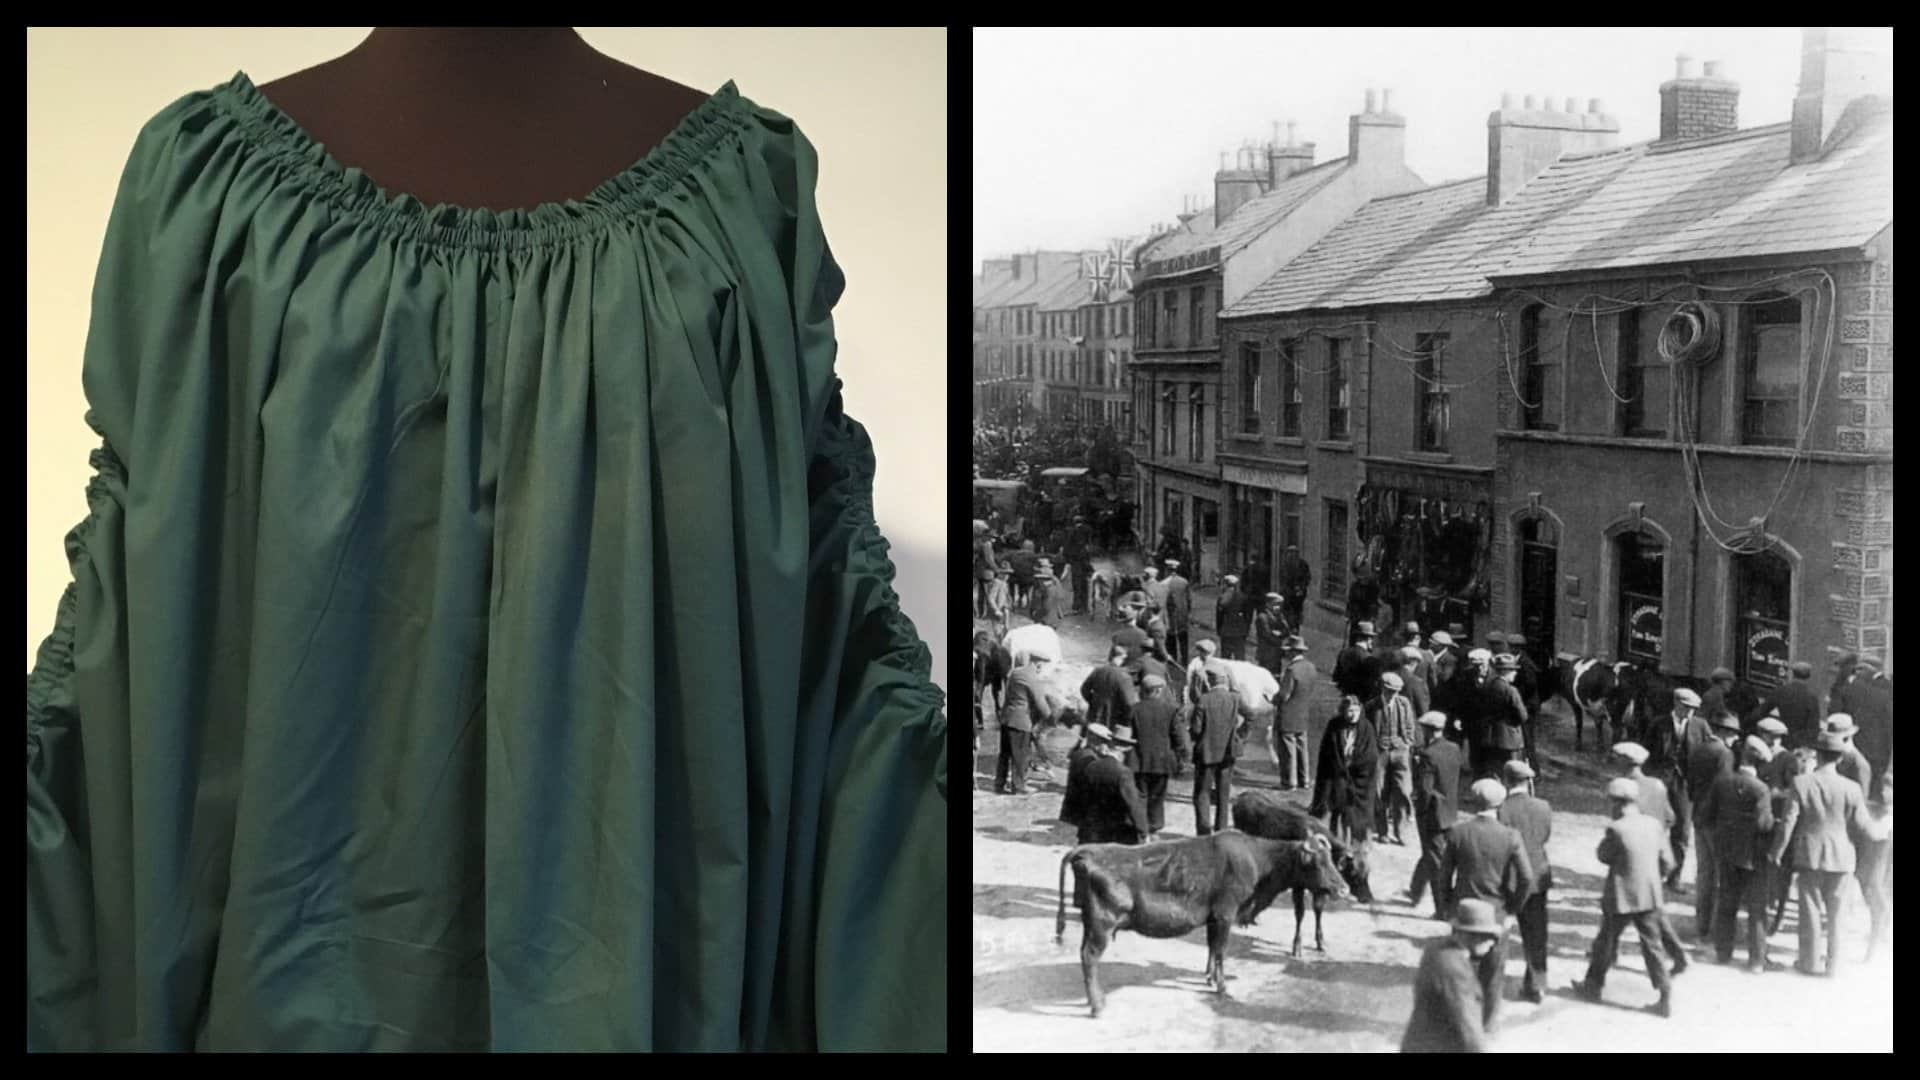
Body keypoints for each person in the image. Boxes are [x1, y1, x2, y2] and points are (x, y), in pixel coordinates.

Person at [1769, 728, 1889, 976]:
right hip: (1843, 858)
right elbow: (1864, 826)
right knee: (1837, 915)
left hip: (1809, 855)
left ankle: (1809, 963)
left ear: (1819, 755)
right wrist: (1883, 830)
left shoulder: (1802, 783)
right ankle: (1834, 966)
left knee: (1810, 912)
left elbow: (1788, 821)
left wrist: (1777, 852)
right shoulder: (1852, 788)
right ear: (1839, 757)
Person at [1576, 778, 1677, 1018]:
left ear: (1617, 804)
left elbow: (1603, 855)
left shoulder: (1616, 828)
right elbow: (1669, 862)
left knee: (1605, 942)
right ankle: (1665, 995)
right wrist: (1653, 878)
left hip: (1621, 896)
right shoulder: (1653, 825)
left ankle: (1592, 986)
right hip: (1649, 895)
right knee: (1653, 946)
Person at [1437, 778, 1533, 1030]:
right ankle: (1487, 1028)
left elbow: (1443, 875)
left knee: (1460, 972)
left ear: (1474, 801)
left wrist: (1447, 909)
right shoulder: (1511, 836)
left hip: (1463, 914)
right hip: (1496, 914)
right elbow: (1527, 877)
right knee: (1493, 976)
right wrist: (1513, 909)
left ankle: (1460, 1026)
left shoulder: (1458, 832)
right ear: (1500, 804)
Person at [1611, 741, 1691, 971]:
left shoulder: (1622, 789)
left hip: (1629, 857)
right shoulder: (1657, 785)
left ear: (1625, 763)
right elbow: (1670, 817)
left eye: (1617, 759)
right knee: (1652, 908)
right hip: (1655, 854)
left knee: (1618, 907)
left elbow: (1620, 825)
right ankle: (1679, 955)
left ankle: (1609, 954)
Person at [1698, 735, 1775, 971]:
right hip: (1753, 855)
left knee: (1727, 902)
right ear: (1760, 763)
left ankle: (1723, 952)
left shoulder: (1722, 782)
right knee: (1756, 908)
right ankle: (1756, 960)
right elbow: (1764, 824)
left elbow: (1705, 816)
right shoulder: (1761, 789)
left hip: (1726, 852)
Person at [1401, 898, 1506, 1054]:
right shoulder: (1455, 970)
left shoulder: (1436, 949)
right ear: (1472, 935)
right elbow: (1468, 1025)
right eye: (1488, 936)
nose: (1492, 942)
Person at [1643, 686, 1711, 891]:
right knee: (1654, 828)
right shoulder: (1658, 724)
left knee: (1681, 832)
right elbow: (1647, 754)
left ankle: (1674, 878)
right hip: (1660, 782)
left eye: (1693, 709)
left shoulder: (1701, 726)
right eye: (1687, 707)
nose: (1690, 712)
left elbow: (1708, 754)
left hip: (1685, 785)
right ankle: (1651, 875)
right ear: (1677, 704)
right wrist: (1649, 782)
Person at [1495, 761, 1553, 1003]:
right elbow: (1545, 836)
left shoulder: (1502, 809)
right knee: (1537, 933)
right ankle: (1536, 985)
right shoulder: (1543, 807)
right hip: (1538, 877)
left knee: (1500, 932)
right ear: (1527, 781)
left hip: (1509, 879)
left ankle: (1491, 983)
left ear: (1506, 781)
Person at [1685, 710, 1741, 940]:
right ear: (1726, 732)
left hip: (1698, 815)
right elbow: (1725, 788)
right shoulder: (1724, 754)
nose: (1735, 738)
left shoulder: (1698, 748)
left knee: (1704, 874)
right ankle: (1718, 929)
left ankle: (1701, 925)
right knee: (1722, 875)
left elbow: (1689, 783)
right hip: (1717, 820)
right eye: (1734, 734)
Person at [1409, 711, 1464, 917]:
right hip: (1451, 811)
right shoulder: (1454, 749)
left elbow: (1425, 790)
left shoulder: (1427, 755)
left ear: (1428, 731)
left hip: (1432, 815)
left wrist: (1419, 811)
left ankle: (1443, 909)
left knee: (1436, 861)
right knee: (1434, 854)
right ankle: (1415, 890)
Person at [1058, 724, 1151, 846]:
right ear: (1125, 750)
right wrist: (1144, 832)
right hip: (1113, 834)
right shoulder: (1123, 773)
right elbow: (1134, 805)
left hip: (1089, 830)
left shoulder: (1091, 766)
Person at [1189, 667, 1253, 836]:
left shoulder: (1204, 700)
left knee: (1202, 793)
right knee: (1223, 794)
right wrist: (1240, 735)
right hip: (1228, 751)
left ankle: (1203, 832)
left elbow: (1196, 730)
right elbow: (1251, 715)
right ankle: (1221, 830)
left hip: (1206, 753)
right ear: (1225, 682)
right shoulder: (1235, 698)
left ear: (1210, 682)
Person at [1312, 694, 1380, 851]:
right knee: (1333, 811)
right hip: (1336, 778)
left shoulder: (1366, 728)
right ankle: (1336, 844)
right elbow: (1326, 753)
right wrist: (1339, 768)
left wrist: (1353, 767)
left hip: (1358, 782)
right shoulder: (1334, 726)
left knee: (1355, 817)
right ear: (1343, 711)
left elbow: (1370, 757)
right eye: (1350, 711)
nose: (1353, 714)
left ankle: (1355, 847)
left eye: (1356, 710)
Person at [1126, 674, 1189, 837]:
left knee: (1140, 795)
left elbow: (1126, 735)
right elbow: (1179, 737)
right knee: (1157, 797)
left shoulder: (1134, 709)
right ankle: (1154, 826)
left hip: (1138, 760)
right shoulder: (1172, 709)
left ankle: (1139, 828)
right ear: (1158, 690)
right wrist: (1181, 755)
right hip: (1162, 761)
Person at [996, 657, 1060, 795]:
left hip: (1006, 717)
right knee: (1021, 756)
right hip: (1021, 721)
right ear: (1037, 664)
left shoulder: (1015, 672)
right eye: (1041, 666)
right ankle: (1019, 787)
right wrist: (1051, 719)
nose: (1041, 669)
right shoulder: (1032, 677)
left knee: (1004, 755)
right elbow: (1040, 702)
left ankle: (999, 785)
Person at [1372, 671, 1418, 845]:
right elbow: (1368, 731)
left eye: (1397, 691)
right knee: (1379, 791)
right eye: (1390, 690)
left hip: (1400, 753)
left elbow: (1410, 727)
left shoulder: (1404, 704)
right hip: (1380, 753)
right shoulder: (1372, 706)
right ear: (1383, 688)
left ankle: (1401, 832)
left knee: (1403, 791)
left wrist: (1406, 743)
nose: (1393, 694)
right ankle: (1382, 831)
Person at [1845, 658, 1892, 802]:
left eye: (1862, 669)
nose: (1858, 672)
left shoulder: (1855, 689)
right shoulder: (1881, 694)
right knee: (1874, 782)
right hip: (1876, 745)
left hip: (1864, 742)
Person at [1274, 635, 1317, 791]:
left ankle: (1288, 782)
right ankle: (1304, 780)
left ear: (1292, 652)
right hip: (1303, 711)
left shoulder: (1292, 670)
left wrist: (1273, 698)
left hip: (1288, 713)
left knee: (1287, 750)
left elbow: (1284, 695)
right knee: (1302, 747)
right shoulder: (1311, 667)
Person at [1749, 661, 1822, 748]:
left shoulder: (1781, 691)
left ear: (1793, 674)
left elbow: (1759, 713)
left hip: (1782, 739)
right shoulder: (1812, 697)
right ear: (1808, 676)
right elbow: (1813, 727)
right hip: (1800, 744)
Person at [1482, 654, 1529, 778]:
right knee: (1512, 772)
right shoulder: (1510, 690)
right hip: (1510, 738)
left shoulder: (1489, 685)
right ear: (1505, 671)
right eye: (1513, 670)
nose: (1515, 673)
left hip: (1492, 735)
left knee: (1496, 771)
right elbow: (1523, 716)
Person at [1079, 646, 1139, 731]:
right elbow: (1129, 703)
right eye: (1124, 658)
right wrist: (1126, 720)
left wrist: (1093, 702)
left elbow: (1084, 689)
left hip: (1094, 714)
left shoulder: (1098, 670)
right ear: (1121, 657)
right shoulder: (1124, 677)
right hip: (1113, 718)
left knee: (1091, 737)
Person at [1508, 634, 1541, 770]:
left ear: (1519, 648)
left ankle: (1534, 770)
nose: (1511, 649)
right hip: (1524, 704)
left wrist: (1517, 697)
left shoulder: (1525, 664)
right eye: (1511, 646)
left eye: (1514, 647)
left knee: (1527, 740)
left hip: (1528, 706)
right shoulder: (1517, 660)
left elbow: (1530, 685)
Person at [1821, 713, 1874, 796]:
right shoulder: (1831, 756)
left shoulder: (1859, 765)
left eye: (1834, 738)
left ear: (1846, 738)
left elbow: (1860, 802)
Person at [1702, 667, 1760, 736]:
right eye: (1730, 682)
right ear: (1723, 682)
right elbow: (1716, 715)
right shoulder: (1714, 695)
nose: (1731, 685)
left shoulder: (1716, 694)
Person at [1334, 622, 1380, 700]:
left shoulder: (1343, 653)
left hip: (1345, 699)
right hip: (1360, 702)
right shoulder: (1369, 659)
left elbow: (1336, 677)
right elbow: (1371, 687)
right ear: (1369, 639)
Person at [1215, 574, 1251, 662]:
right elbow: (1248, 616)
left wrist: (1219, 630)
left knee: (1226, 659)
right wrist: (1246, 630)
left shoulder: (1222, 598)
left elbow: (1219, 616)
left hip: (1226, 631)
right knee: (1240, 658)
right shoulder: (1243, 597)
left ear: (1226, 584)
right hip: (1240, 631)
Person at [1162, 559, 1192, 664]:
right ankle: (1185, 659)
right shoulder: (1184, 581)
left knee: (1171, 638)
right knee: (1183, 637)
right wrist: (1187, 611)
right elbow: (1189, 599)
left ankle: (1173, 659)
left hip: (1170, 614)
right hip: (1182, 614)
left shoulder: (1164, 583)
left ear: (1167, 570)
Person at [1253, 593, 1290, 675]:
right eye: (1275, 604)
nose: (1278, 607)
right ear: (1268, 604)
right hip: (1266, 653)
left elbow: (1287, 631)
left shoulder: (1279, 617)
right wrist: (1279, 641)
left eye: (1279, 605)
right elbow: (1267, 634)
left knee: (1276, 677)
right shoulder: (1262, 617)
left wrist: (1279, 633)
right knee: (1264, 676)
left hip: (1277, 654)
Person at [1028, 560, 1065, 628]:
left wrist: (1035, 614)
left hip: (1044, 620)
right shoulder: (1055, 581)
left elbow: (1041, 604)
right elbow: (1060, 597)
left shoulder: (1043, 588)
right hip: (1054, 619)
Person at [1397, 647, 1432, 717]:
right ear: (1413, 662)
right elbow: (1423, 709)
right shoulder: (1416, 682)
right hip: (1411, 723)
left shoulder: (1391, 677)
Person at [1007, 539, 1039, 611]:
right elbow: (1036, 567)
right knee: (1034, 582)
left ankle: (1014, 600)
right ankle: (1028, 602)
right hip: (1028, 579)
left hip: (1015, 578)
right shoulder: (1033, 555)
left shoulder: (1014, 554)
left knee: (1013, 581)